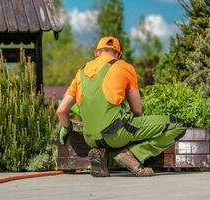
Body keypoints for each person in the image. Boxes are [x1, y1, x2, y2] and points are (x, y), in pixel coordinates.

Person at [56, 36, 186, 177]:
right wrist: (137, 134)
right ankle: (133, 154)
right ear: (118, 54)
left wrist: (66, 127)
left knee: (111, 133)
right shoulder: (124, 67)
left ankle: (101, 153)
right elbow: (137, 110)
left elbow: (61, 110)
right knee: (178, 125)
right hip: (117, 134)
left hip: (90, 138)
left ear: (96, 53)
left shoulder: (80, 72)